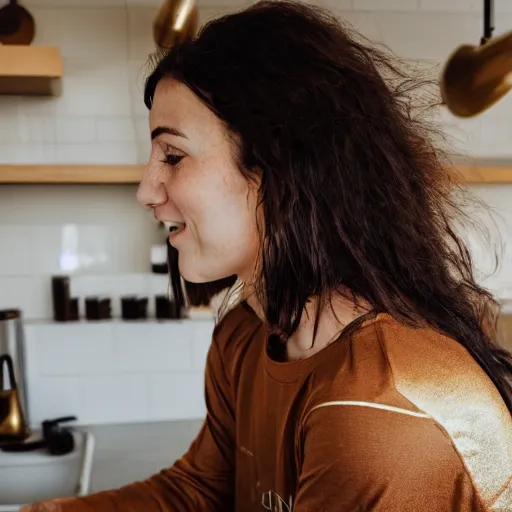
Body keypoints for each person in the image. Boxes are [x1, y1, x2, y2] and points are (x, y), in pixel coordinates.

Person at [24, 1, 512, 511]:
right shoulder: (246, 336)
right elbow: (199, 492)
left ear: (281, 168)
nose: (147, 191)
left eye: (173, 156)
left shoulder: (377, 409)